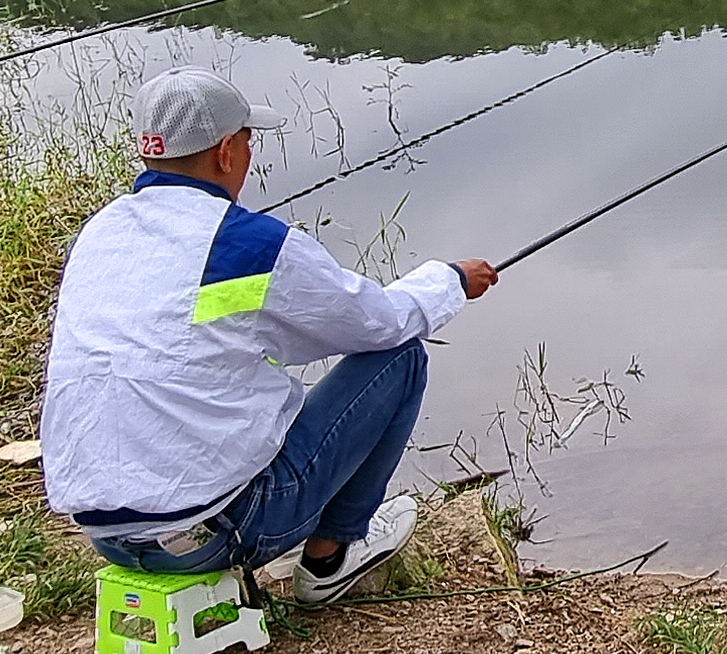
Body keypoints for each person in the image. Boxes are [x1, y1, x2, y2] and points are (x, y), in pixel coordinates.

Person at [39, 68, 498, 601]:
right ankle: (333, 557)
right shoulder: (247, 246)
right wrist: (451, 281)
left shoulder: (99, 233)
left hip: (105, 533)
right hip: (215, 533)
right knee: (399, 356)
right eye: (249, 140)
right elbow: (377, 324)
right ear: (226, 152)